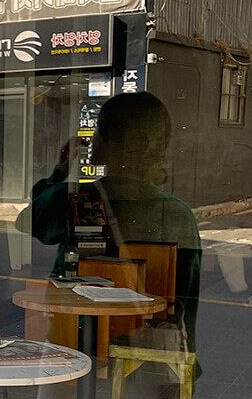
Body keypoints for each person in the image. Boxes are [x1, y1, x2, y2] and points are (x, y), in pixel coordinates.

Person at [26, 91, 202, 354]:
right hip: (143, 352)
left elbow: (29, 221)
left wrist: (60, 170)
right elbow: (186, 299)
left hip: (74, 341)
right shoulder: (178, 213)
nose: (93, 140)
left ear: (115, 143)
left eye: (98, 131)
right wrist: (185, 357)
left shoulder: (76, 197)